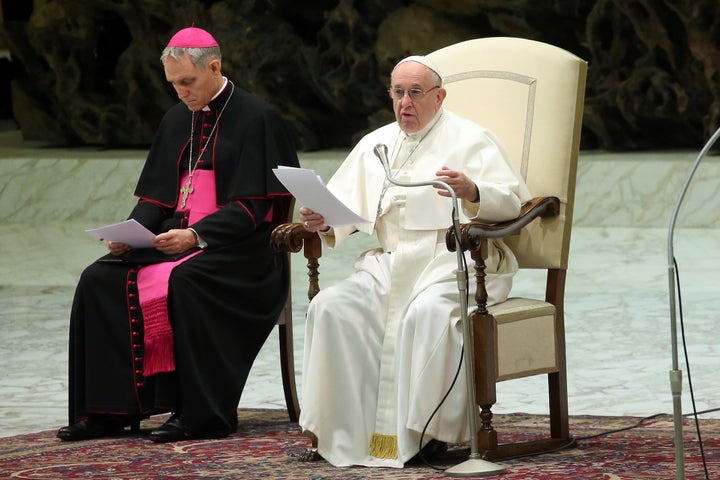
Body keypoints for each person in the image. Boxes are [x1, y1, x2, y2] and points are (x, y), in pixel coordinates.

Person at [56, 26, 299, 443]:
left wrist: (197, 236)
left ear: (215, 67)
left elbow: (256, 208)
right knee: (97, 279)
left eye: (187, 82)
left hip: (242, 249)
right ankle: (107, 412)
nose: (181, 93)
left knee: (186, 281)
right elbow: (157, 199)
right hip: (174, 240)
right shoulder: (175, 119)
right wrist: (132, 232)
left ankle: (200, 413)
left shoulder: (258, 118)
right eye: (173, 84)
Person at [297, 55, 531, 467]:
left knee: (426, 314)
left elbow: (513, 200)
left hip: (452, 263)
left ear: (439, 97)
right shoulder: (377, 143)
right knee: (330, 307)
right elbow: (343, 209)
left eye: (415, 93)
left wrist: (472, 190)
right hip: (389, 263)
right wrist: (321, 220)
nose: (405, 102)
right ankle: (340, 433)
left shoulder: (472, 139)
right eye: (398, 92)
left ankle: (429, 436)